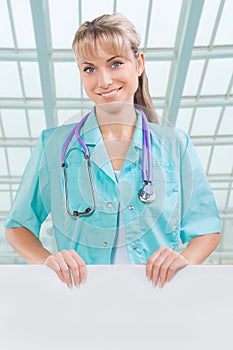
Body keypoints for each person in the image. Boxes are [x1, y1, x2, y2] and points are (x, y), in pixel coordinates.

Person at [5, 13, 221, 289]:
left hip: (158, 299)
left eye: (115, 63)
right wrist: (48, 260)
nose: (104, 81)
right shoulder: (54, 145)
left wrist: (182, 259)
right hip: (81, 300)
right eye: (89, 69)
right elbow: (18, 227)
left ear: (139, 64)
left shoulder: (176, 145)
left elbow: (207, 230)